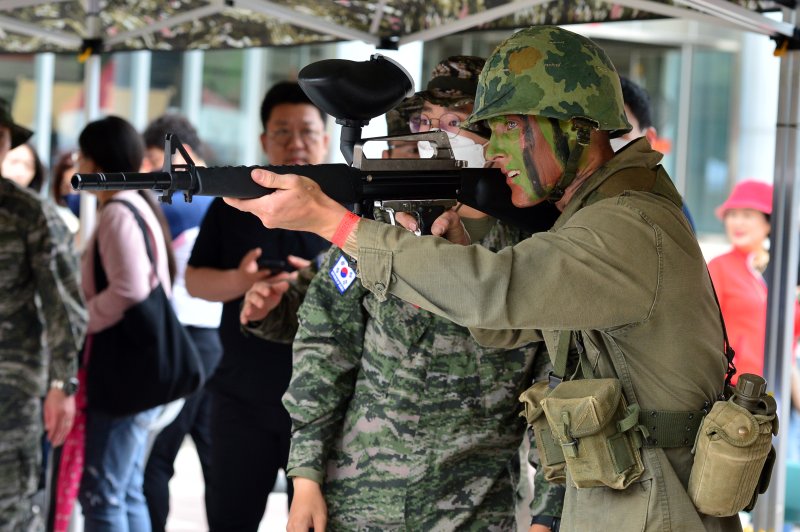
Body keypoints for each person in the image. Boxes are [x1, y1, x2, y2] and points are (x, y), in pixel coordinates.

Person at [226, 26, 742, 531]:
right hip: (626, 497)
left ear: (575, 126)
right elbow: (503, 325)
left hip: (650, 505)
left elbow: (494, 294)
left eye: (508, 127)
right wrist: (454, 258)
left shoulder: (625, 225)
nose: (492, 150)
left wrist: (334, 225)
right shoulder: (601, 219)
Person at [240, 57, 563, 531]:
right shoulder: (385, 227)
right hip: (359, 503)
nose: (434, 135)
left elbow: (555, 388)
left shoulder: (534, 248)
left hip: (475, 509)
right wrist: (306, 476)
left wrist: (548, 516)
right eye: (423, 122)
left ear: (493, 133)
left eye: (453, 122)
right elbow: (325, 347)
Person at [185, 81, 331, 531]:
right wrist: (241, 280)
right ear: (265, 140)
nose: (295, 142)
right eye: (282, 131)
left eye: (307, 131)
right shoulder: (235, 203)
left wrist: (317, 281)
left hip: (323, 405)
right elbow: (194, 281)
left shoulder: (349, 207)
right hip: (241, 397)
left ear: (326, 139)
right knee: (230, 519)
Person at [76, 116, 176, 532]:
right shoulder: (138, 203)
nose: (76, 162)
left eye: (82, 154)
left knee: (102, 494)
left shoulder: (118, 210)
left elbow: (129, 290)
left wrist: (82, 319)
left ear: (96, 160)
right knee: (126, 488)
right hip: (142, 367)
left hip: (125, 371)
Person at [0, 97, 87, 531]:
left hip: (10, 388)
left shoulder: (28, 213)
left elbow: (64, 304)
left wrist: (61, 384)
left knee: (9, 507)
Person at [139, 114, 223, 532]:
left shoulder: (181, 201)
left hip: (184, 344)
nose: (147, 172)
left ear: (180, 154)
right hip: (216, 343)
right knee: (217, 462)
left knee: (156, 460)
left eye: (151, 160)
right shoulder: (223, 196)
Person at [708, 179, 800, 382]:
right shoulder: (719, 267)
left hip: (777, 381)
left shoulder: (780, 270)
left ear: (769, 223)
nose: (737, 222)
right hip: (736, 386)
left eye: (747, 215)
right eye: (732, 214)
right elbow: (704, 328)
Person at [617, 76, 696, 232]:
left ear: (649, 138)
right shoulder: (569, 197)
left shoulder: (668, 209)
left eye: (617, 132)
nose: (604, 142)